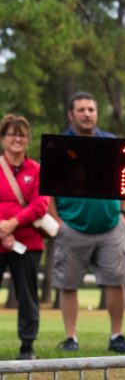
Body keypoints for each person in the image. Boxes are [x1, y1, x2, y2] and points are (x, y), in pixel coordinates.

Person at [50, 92, 125, 355]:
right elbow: (47, 190)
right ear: (70, 114)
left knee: (115, 281)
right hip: (72, 227)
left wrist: (123, 215)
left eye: (91, 109)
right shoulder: (59, 146)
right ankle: (71, 338)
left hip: (111, 226)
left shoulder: (110, 143)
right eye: (81, 110)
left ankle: (117, 336)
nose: (87, 114)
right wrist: (57, 222)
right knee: (68, 284)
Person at [0, 114, 50, 360]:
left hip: (27, 243)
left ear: (28, 140)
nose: (17, 139)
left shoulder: (38, 170)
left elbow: (41, 204)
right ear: (3, 139)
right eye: (12, 134)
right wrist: (2, 230)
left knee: (27, 295)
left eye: (22, 135)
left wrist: (13, 224)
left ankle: (27, 346)